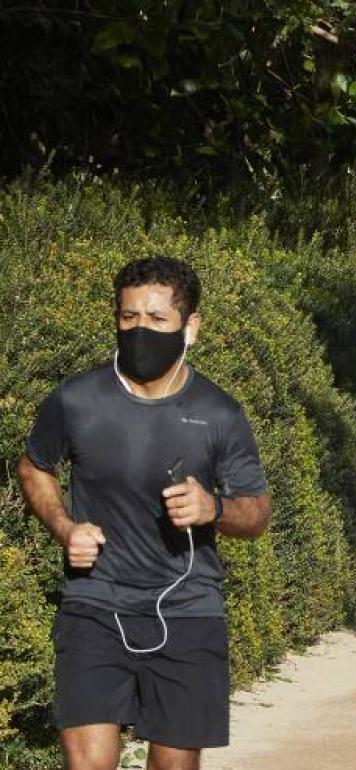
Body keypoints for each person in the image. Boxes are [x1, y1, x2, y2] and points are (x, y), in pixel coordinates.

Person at [17, 257, 272, 770]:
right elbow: (33, 468)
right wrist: (65, 527)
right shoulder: (77, 400)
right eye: (128, 317)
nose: (140, 331)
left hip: (188, 609)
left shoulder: (219, 413)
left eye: (157, 320)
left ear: (190, 327)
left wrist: (212, 508)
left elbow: (258, 513)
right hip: (94, 604)